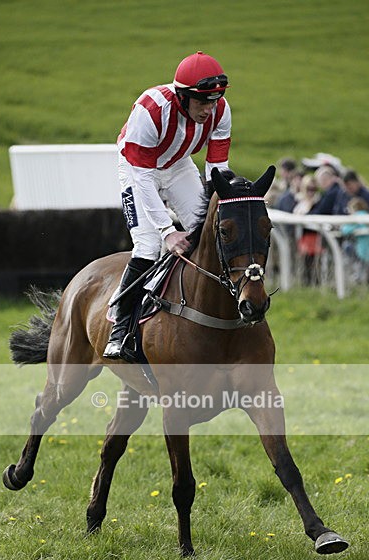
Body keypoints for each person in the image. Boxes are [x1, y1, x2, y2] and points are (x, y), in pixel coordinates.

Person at [103, 51, 231, 359]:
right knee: (148, 245)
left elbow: (217, 170)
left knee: (209, 233)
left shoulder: (221, 110)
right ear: (183, 97)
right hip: (137, 169)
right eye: (201, 102)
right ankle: (120, 326)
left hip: (178, 166)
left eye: (213, 101)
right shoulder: (151, 110)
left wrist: (224, 207)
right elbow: (144, 179)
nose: (208, 109)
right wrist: (166, 231)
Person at [341, 197, 369, 283]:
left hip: (362, 249)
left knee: (346, 246)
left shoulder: (358, 217)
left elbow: (346, 230)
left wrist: (344, 226)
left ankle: (358, 277)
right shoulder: (367, 215)